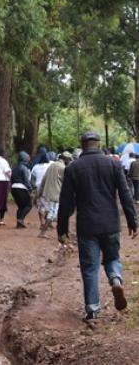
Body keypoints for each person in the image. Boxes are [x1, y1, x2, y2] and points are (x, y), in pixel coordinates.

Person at [58, 131, 138, 322]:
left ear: (82, 145)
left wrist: (62, 229)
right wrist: (132, 220)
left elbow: (66, 202)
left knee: (90, 267)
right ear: (98, 144)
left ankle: (93, 309)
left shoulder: (73, 168)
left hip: (87, 226)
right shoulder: (113, 163)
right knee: (112, 258)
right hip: (110, 223)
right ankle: (116, 278)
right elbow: (125, 194)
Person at [38, 152, 72, 238]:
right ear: (66, 159)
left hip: (47, 193)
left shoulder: (51, 165)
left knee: (52, 212)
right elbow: (67, 182)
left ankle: (64, 231)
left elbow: (44, 179)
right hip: (56, 194)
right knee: (52, 214)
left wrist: (39, 192)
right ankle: (43, 233)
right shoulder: (63, 168)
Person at [10, 151, 33, 229]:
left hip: (13, 188)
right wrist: (30, 189)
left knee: (21, 206)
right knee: (29, 205)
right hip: (21, 187)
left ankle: (19, 223)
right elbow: (26, 180)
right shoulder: (24, 168)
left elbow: (11, 179)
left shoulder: (14, 168)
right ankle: (20, 219)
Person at [32, 152, 55, 227]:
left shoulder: (35, 167)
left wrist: (34, 188)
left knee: (40, 205)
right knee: (48, 205)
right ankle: (48, 223)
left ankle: (42, 222)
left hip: (38, 186)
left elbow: (32, 178)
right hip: (48, 186)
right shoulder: (51, 165)